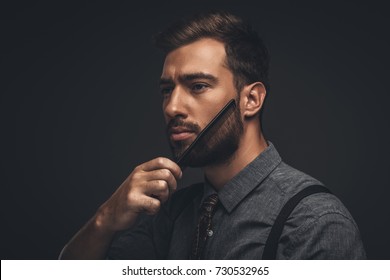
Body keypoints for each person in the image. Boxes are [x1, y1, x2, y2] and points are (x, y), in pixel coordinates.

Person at [60, 10, 366, 260]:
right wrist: (105, 218)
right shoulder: (173, 215)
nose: (172, 107)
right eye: (167, 90)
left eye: (198, 86)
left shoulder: (315, 222)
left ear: (251, 100)